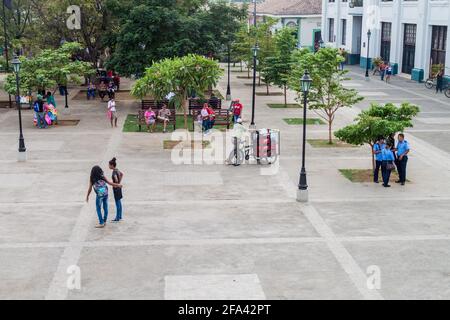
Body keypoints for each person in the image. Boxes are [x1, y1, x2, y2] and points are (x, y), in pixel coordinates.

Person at [109, 158, 124, 222]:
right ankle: (120, 216)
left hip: (116, 189)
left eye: (109, 165)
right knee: (119, 202)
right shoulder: (117, 170)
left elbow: (116, 179)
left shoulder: (114, 172)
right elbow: (122, 174)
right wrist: (119, 183)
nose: (109, 166)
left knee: (117, 203)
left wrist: (115, 184)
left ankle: (117, 218)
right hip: (119, 188)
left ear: (112, 165)